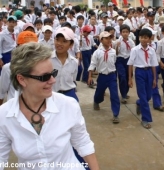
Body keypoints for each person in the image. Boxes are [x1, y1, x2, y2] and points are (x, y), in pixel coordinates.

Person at [0, 42, 99, 170]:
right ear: (22, 79)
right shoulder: (4, 115)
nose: (53, 80)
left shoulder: (68, 105)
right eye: (45, 77)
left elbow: (83, 143)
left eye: (53, 73)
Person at [128, 28, 158, 129]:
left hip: (149, 72)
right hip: (139, 72)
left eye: (146, 38)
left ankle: (138, 103)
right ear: (139, 38)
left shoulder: (152, 50)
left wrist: (154, 79)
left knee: (148, 96)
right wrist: (130, 78)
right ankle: (145, 119)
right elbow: (130, 64)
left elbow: (154, 65)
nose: (143, 40)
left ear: (149, 39)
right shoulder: (135, 50)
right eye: (141, 37)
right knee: (144, 97)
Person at [88, 31, 120, 124]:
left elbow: (114, 61)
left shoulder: (113, 51)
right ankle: (97, 101)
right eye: (106, 38)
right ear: (101, 40)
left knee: (114, 95)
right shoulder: (97, 52)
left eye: (110, 38)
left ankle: (115, 114)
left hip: (112, 75)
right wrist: (90, 76)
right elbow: (93, 64)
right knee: (99, 92)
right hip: (102, 76)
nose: (109, 40)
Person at [0, 31, 38, 105]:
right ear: (18, 47)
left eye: (32, 48)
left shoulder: (41, 68)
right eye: (25, 47)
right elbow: (1, 92)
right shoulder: (8, 68)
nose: (29, 52)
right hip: (13, 109)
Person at [115, 24, 135, 104]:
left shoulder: (131, 42)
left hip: (128, 60)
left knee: (128, 76)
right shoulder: (117, 41)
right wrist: (117, 47)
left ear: (129, 33)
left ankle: (125, 92)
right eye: (123, 32)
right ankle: (123, 95)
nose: (125, 33)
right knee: (122, 77)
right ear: (120, 33)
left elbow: (133, 51)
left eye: (127, 32)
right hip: (120, 60)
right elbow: (115, 53)